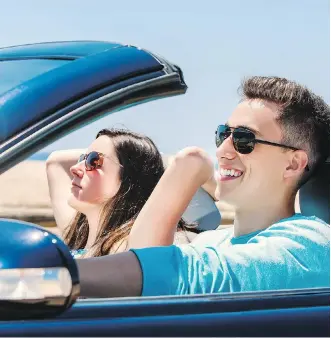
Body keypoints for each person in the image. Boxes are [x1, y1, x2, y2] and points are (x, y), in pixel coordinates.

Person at [76, 76, 330, 297]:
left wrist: (187, 167)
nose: (221, 150)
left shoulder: (309, 243)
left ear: (293, 164)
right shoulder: (211, 241)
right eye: (223, 135)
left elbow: (167, 278)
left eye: (244, 139)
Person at [46, 128, 197, 258]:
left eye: (93, 161)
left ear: (129, 177)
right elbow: (56, 161)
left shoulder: (131, 247)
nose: (75, 168)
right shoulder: (78, 233)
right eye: (82, 159)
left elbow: (192, 159)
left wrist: (148, 159)